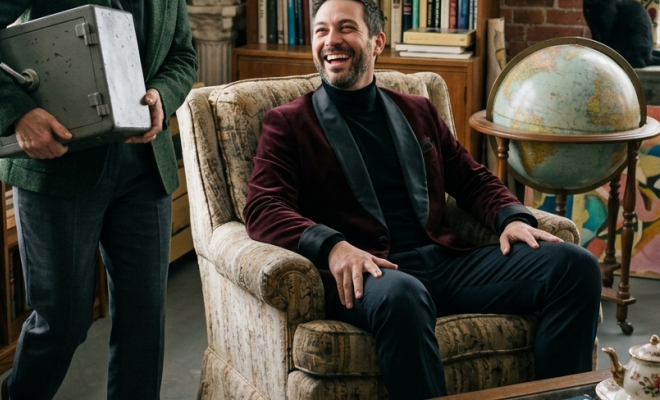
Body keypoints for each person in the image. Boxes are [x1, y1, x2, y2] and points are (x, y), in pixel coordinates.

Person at [243, 0, 602, 398]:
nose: (331, 40)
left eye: (346, 28)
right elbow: (263, 208)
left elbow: (471, 178)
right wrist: (333, 247)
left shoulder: (418, 110)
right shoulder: (289, 123)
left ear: (377, 42)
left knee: (575, 265)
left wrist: (511, 217)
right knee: (404, 295)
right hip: (372, 276)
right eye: (321, 30)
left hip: (444, 262)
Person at [0, 0, 197, 398]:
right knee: (62, 322)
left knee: (144, 320)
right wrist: (17, 112)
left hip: (145, 168)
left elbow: (182, 55)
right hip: (57, 166)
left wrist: (163, 95)